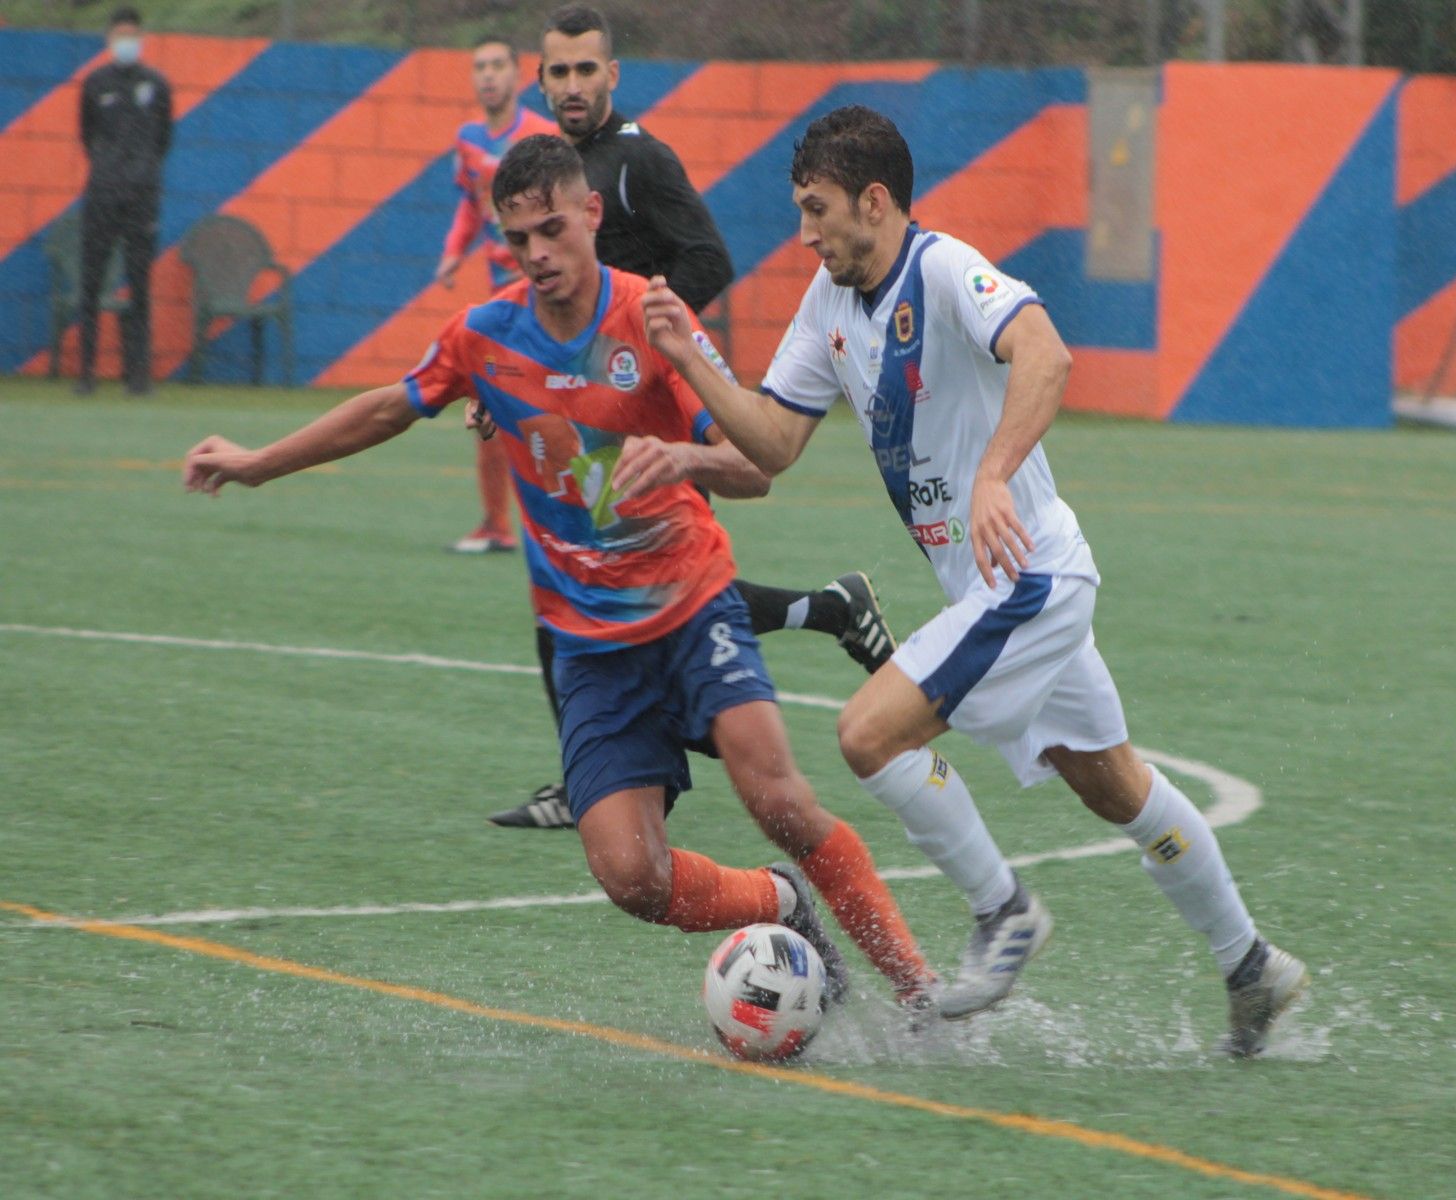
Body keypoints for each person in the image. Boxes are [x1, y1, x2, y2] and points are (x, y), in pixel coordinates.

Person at [182, 133, 937, 1014]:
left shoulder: (654, 321)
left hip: (694, 606)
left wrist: (681, 459)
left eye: (551, 230)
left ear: (591, 215)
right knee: (632, 878)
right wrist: (257, 461)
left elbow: (754, 466)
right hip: (588, 646)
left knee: (778, 797)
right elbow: (390, 407)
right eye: (517, 239)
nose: (537, 254)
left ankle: (920, 994)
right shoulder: (484, 337)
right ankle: (780, 904)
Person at [643, 105, 1309, 1054]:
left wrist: (992, 474)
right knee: (1116, 786)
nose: (804, 232)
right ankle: (1253, 969)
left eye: (817, 208)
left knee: (866, 733)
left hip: (1029, 576)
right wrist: (687, 394)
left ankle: (1004, 912)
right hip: (994, 591)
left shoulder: (945, 269)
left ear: (874, 202)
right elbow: (770, 451)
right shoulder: (829, 304)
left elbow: (1046, 352)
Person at [486, 4, 896, 832]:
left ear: (613, 75)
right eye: (558, 72)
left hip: (647, 406)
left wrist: (627, 358)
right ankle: (829, 611)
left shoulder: (637, 159)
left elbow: (708, 255)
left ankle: (602, 774)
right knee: (610, 585)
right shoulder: (555, 173)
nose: (572, 85)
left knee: (620, 590)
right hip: (591, 413)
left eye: (585, 70)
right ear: (542, 80)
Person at [436, 34, 552, 556]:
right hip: (501, 291)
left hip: (543, 290)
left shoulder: (544, 136)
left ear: (517, 72)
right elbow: (469, 200)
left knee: (534, 402)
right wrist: (453, 251)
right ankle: (496, 524)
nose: (487, 75)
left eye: (496, 65)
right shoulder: (468, 139)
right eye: (478, 66)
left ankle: (553, 524)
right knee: (489, 399)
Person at [77, 6, 171, 396]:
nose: (127, 42)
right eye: (121, 35)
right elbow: (87, 135)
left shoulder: (156, 84)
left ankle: (137, 376)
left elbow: (163, 139)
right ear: (110, 39)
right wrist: (109, 169)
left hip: (141, 199)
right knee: (92, 283)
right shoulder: (95, 84)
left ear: (141, 38)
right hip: (102, 196)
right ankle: (85, 373)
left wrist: (141, 173)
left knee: (139, 285)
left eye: (133, 34)